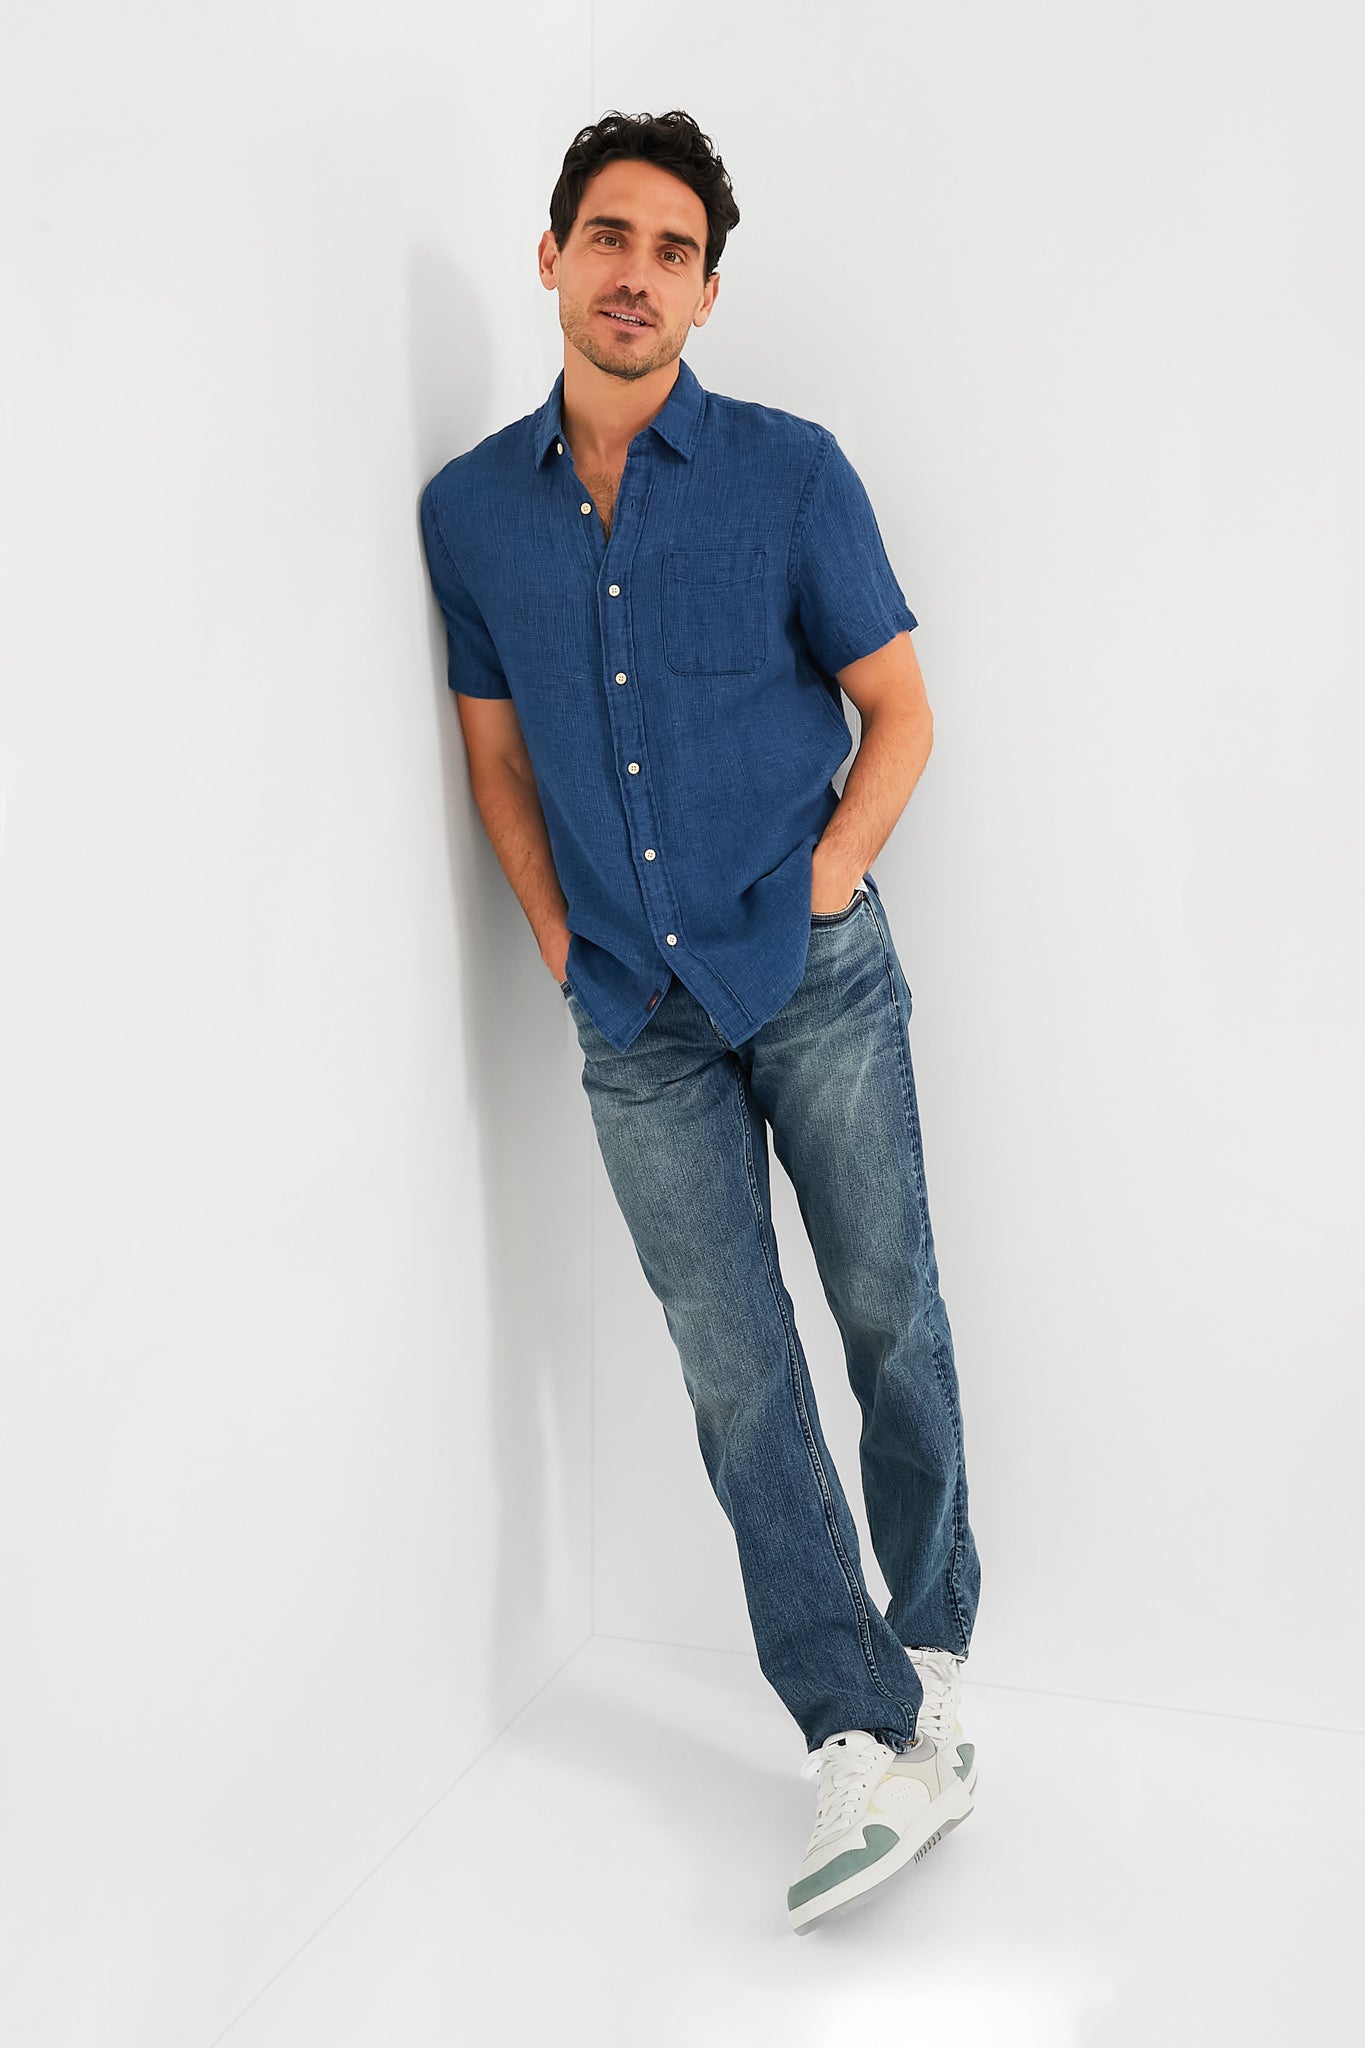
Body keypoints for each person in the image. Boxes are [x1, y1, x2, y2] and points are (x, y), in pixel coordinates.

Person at [419, 108, 982, 1933]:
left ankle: (931, 1652)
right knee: (737, 1376)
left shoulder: (789, 473)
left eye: (672, 250)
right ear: (551, 257)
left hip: (812, 974)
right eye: (608, 236)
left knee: (886, 1309)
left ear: (707, 291)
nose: (635, 274)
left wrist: (824, 884)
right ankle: (856, 1725)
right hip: (632, 1017)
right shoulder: (469, 514)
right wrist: (557, 939)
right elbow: (496, 760)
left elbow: (900, 709)